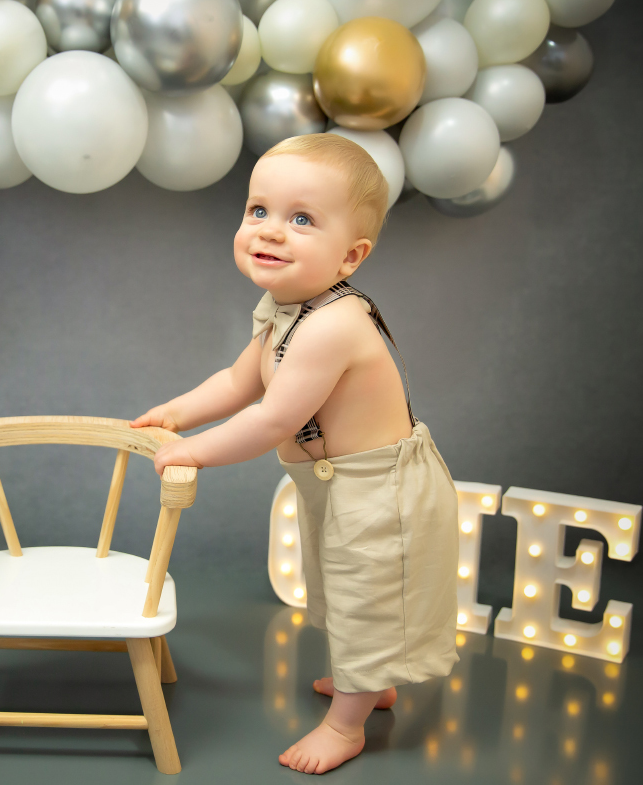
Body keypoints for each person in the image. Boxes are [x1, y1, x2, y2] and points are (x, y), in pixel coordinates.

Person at [131, 133, 459, 774]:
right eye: (259, 210)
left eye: (302, 219)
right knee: (341, 587)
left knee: (368, 597)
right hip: (338, 484)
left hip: (383, 491)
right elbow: (239, 382)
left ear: (350, 256)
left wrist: (192, 452)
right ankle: (370, 681)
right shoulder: (284, 308)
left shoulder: (333, 325)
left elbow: (272, 418)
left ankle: (346, 727)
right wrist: (176, 412)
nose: (271, 230)